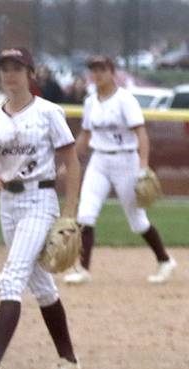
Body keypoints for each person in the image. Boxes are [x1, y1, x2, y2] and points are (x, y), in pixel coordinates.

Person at [0, 48, 84, 369]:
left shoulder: (48, 112)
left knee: (12, 277)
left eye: (17, 68)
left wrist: (71, 213)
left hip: (40, 200)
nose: (9, 74)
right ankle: (70, 363)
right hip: (8, 204)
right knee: (42, 286)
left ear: (30, 73)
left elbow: (71, 162)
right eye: (4, 68)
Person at [63, 55, 175, 286]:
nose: (97, 74)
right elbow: (85, 135)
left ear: (111, 71)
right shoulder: (90, 101)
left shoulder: (125, 99)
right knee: (85, 214)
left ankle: (165, 260)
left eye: (101, 69)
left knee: (137, 221)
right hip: (99, 161)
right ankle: (84, 270)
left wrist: (142, 166)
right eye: (93, 69)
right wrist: (70, 161)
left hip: (126, 161)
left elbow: (141, 133)